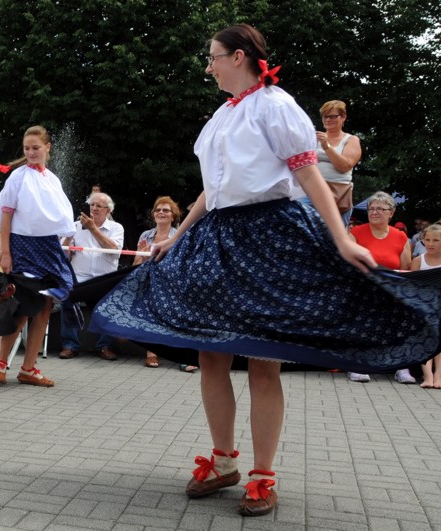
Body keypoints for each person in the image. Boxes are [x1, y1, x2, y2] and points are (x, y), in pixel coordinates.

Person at [90, 24, 439, 517]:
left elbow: (308, 175)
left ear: (238, 57)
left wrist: (341, 237)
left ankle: (263, 474)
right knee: (210, 355)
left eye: (213, 57)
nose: (208, 67)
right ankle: (223, 461)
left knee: (262, 360)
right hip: (219, 239)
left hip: (270, 236)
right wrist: (178, 235)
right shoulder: (223, 114)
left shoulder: (276, 105)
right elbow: (213, 188)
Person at [0, 125, 76, 387]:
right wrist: (5, 252)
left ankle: (28, 368)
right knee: (23, 304)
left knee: (45, 306)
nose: (31, 152)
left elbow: (56, 219)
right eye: (27, 148)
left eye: (36, 147)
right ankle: (1, 361)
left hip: (47, 247)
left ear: (47, 148)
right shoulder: (17, 177)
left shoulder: (52, 179)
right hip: (22, 245)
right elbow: (5, 215)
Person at [346, 191, 413, 383]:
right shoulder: (355, 233)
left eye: (380, 209)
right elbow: (350, 262)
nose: (374, 212)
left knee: (402, 323)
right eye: (371, 209)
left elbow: (405, 268)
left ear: (391, 213)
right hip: (363, 288)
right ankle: (357, 366)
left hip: (392, 290)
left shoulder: (401, 237)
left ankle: (402, 368)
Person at [59, 192, 124, 361]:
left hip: (104, 279)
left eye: (98, 206)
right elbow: (64, 258)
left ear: (108, 210)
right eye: (92, 205)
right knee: (67, 297)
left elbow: (113, 251)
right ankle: (70, 345)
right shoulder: (75, 226)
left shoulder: (116, 228)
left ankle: (104, 346)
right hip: (79, 279)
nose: (94, 208)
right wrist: (67, 240)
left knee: (111, 301)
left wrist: (92, 228)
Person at [132, 196, 194, 370]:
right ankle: (151, 353)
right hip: (149, 282)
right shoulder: (145, 236)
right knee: (149, 315)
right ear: (153, 214)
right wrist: (142, 256)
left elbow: (183, 264)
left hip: (171, 283)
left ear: (173, 216)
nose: (161, 212)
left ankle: (183, 357)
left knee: (178, 318)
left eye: (166, 210)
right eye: (158, 210)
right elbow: (135, 265)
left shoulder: (179, 235)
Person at [313, 100, 362, 227]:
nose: (328, 120)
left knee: (335, 235)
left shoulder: (351, 139)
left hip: (338, 194)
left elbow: (344, 166)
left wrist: (326, 147)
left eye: (333, 116)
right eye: (325, 116)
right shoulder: (314, 138)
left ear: (343, 117)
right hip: (314, 189)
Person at [411, 223, 441, 388]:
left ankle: (438, 376)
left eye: (436, 240)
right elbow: (413, 288)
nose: (430, 244)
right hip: (424, 308)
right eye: (427, 240)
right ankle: (427, 376)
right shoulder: (418, 261)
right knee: (425, 339)